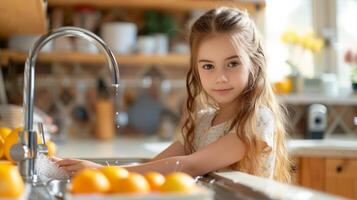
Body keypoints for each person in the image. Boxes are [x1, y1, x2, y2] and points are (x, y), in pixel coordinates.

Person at [54, 7, 291, 183]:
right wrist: (94, 169)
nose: (221, 77)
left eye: (232, 64)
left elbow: (188, 166)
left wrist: (101, 172)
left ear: (255, 63)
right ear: (196, 69)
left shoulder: (257, 121)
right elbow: (154, 166)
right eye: (208, 66)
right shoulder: (202, 120)